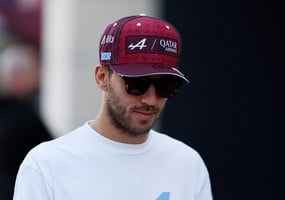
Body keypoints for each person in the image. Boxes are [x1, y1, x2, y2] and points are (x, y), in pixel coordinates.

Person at [13, 14, 213, 200]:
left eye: (166, 86)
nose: (151, 99)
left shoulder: (187, 164)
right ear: (102, 78)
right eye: (136, 84)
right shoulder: (47, 165)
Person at [0, 43, 53, 199]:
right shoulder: (22, 115)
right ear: (17, 77)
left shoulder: (16, 109)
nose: (37, 75)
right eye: (33, 70)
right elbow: (51, 148)